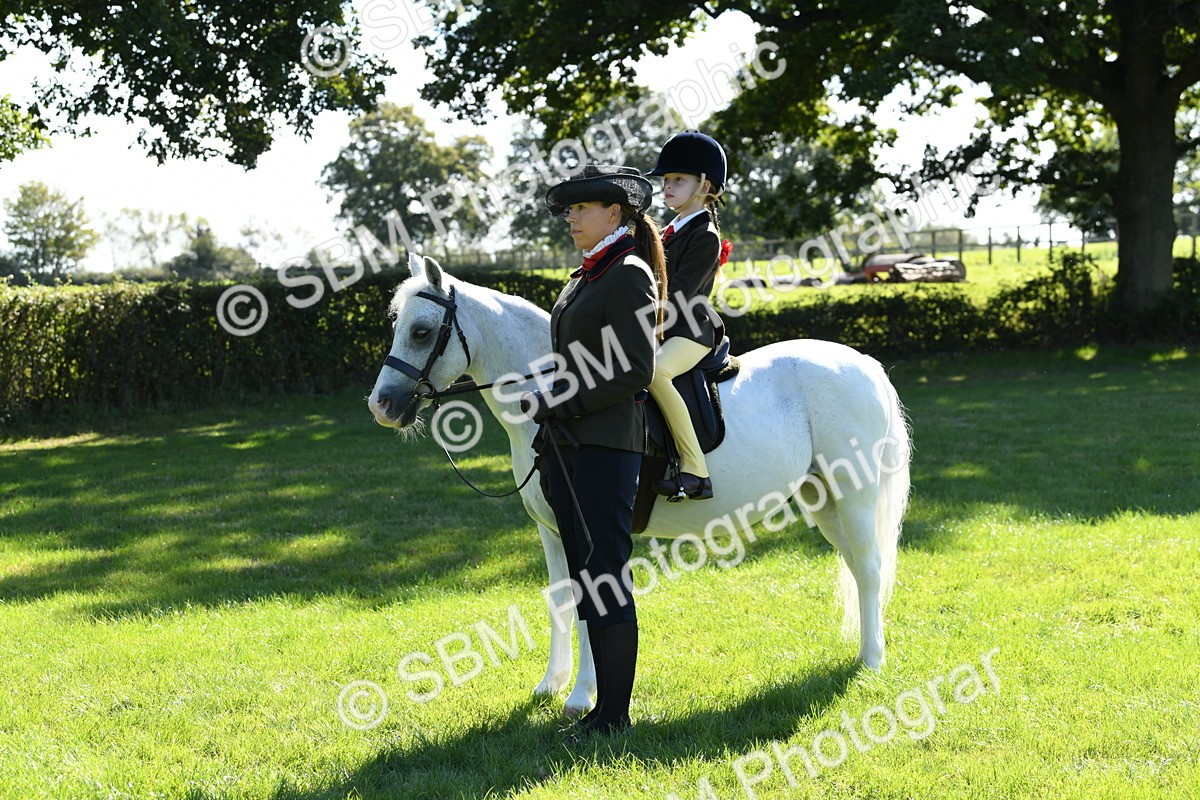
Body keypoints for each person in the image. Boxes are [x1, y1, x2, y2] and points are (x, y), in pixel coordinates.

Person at [519, 164, 667, 738]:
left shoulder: (627, 272)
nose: (572, 218)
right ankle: (605, 708)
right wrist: (545, 392)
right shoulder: (582, 277)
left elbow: (635, 369)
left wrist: (563, 402)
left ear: (615, 213)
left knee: (606, 576)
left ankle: (614, 715)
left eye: (583, 209)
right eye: (569, 210)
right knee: (585, 578)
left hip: (606, 445)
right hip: (569, 445)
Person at [644, 130, 731, 500]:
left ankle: (696, 471)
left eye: (678, 180)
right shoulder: (666, 232)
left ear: (705, 185)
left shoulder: (705, 236)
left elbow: (677, 295)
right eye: (666, 180)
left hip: (690, 330)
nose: (667, 187)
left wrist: (641, 324)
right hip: (663, 327)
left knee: (655, 373)